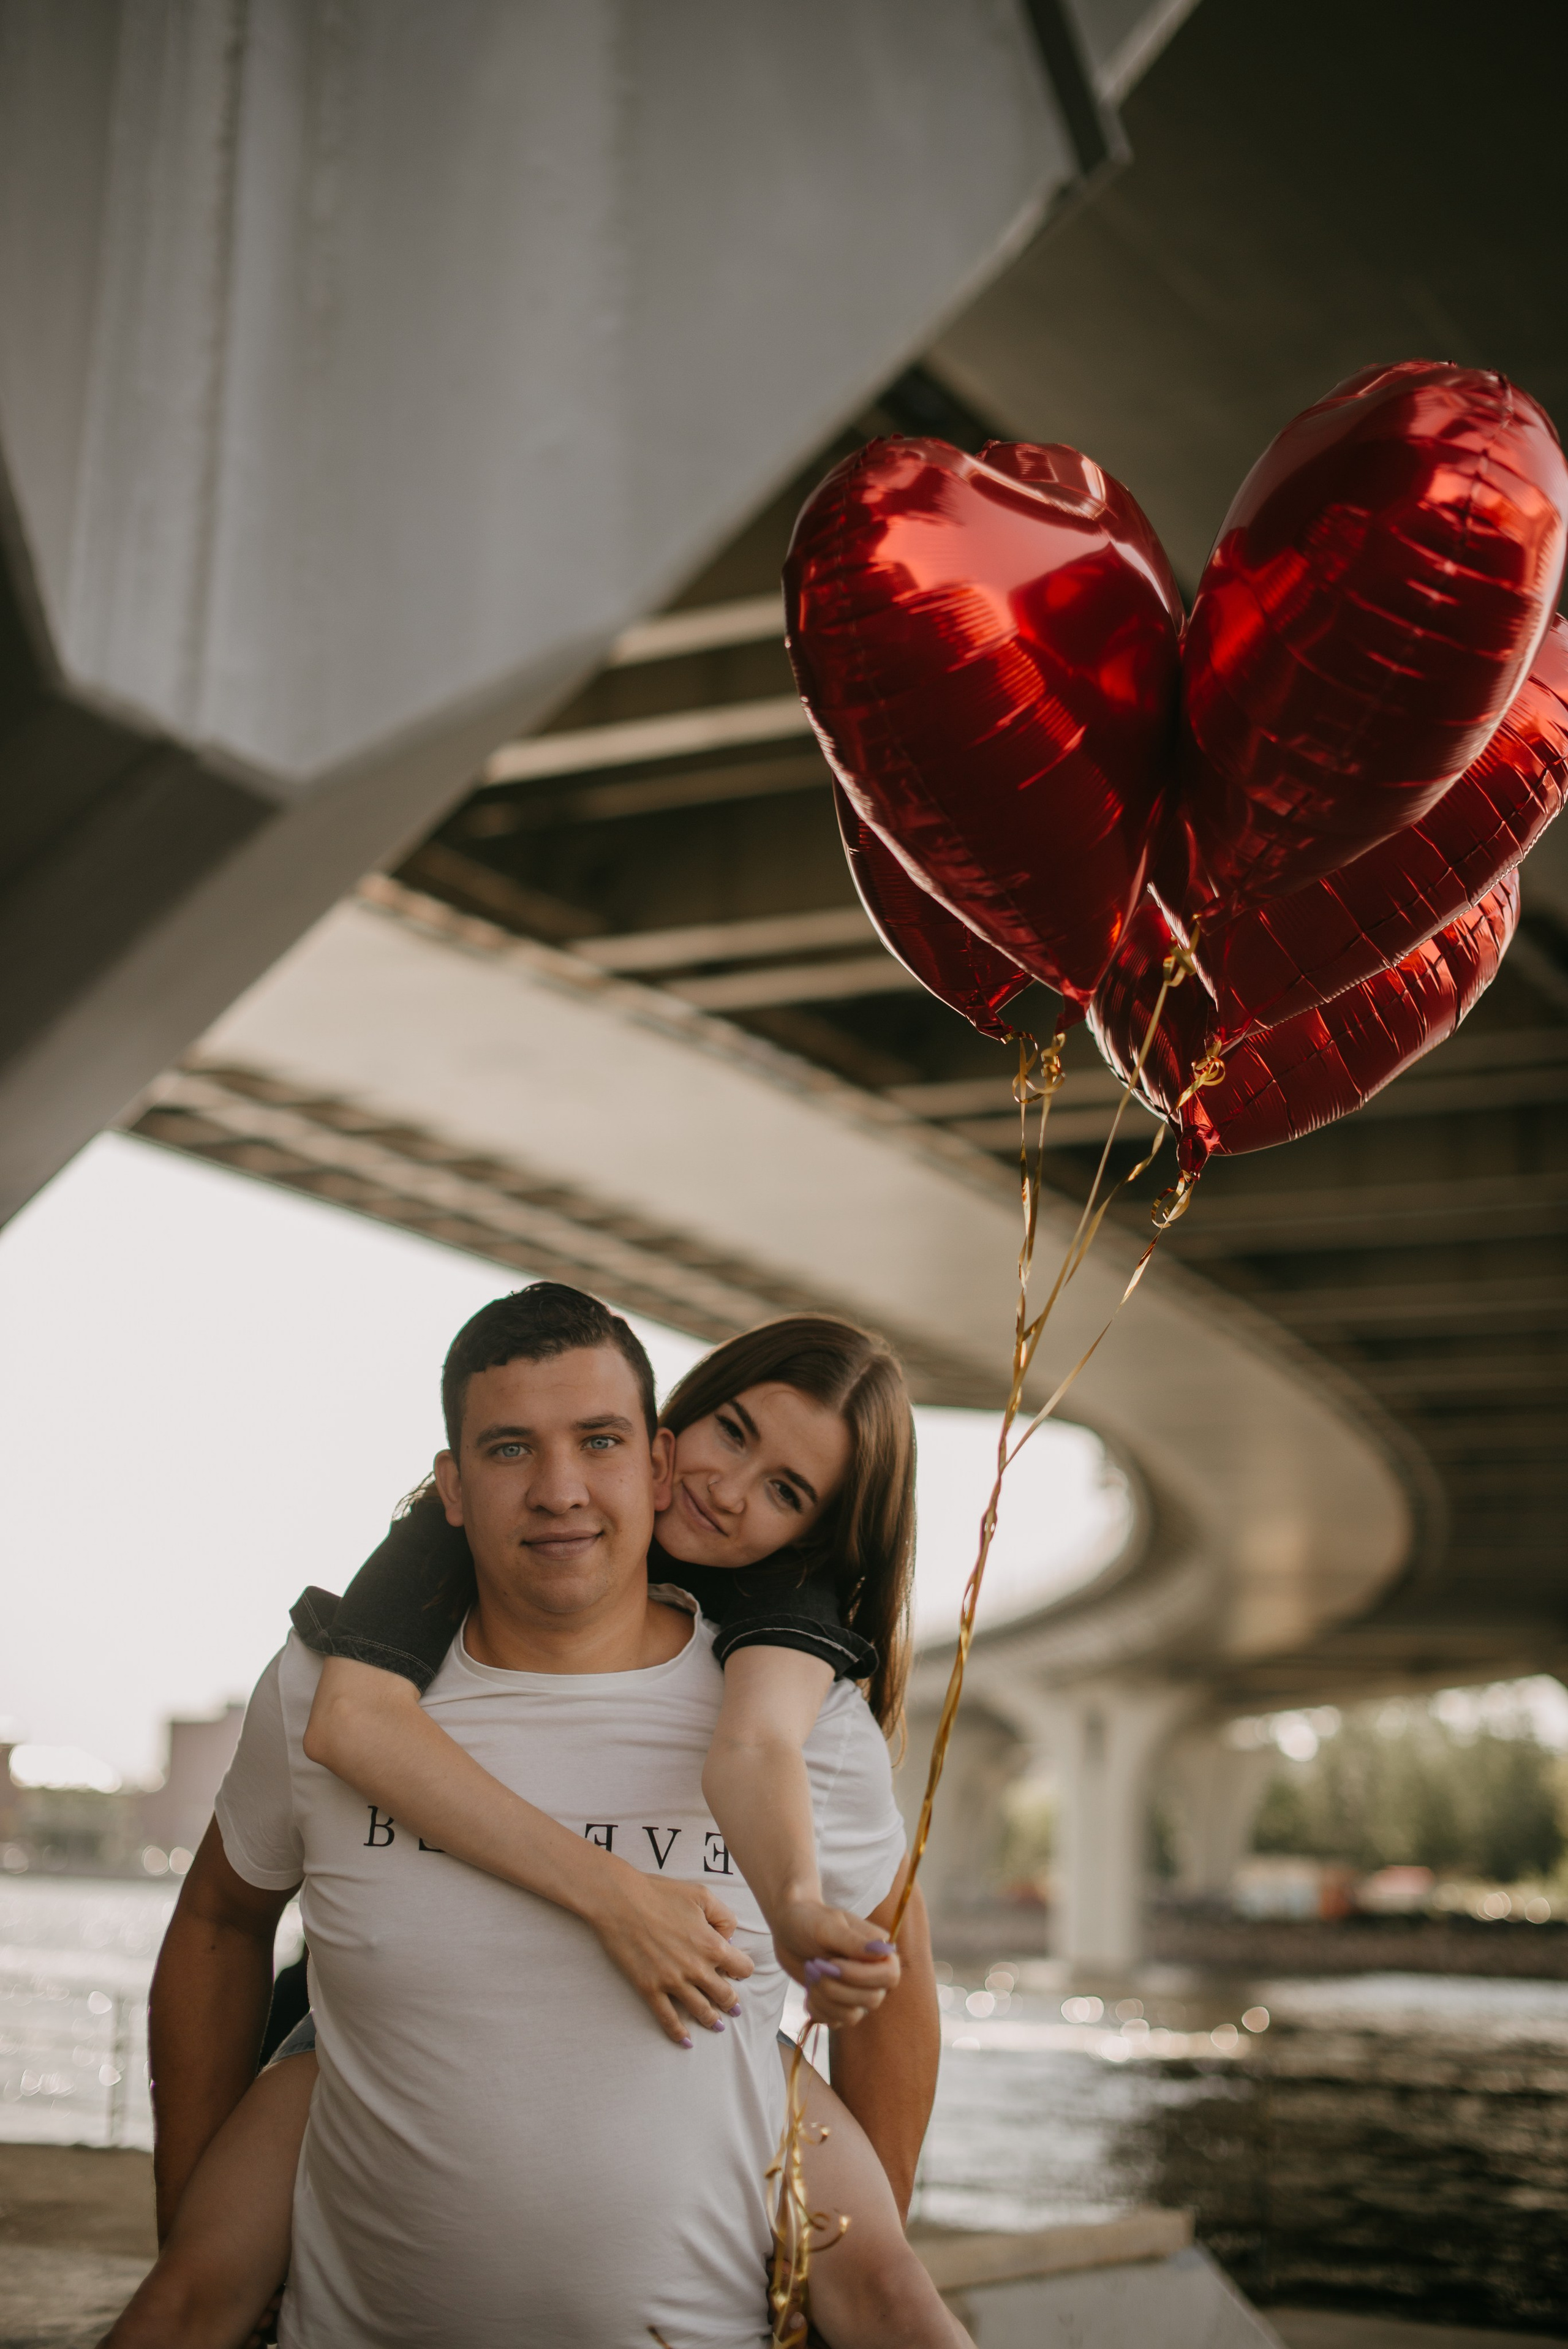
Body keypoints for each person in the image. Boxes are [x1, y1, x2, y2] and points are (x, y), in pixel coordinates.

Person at [109, 1288, 966, 2348]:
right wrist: (196, 2240)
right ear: (454, 1484)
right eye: (511, 1451)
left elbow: (886, 1944)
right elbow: (236, 1895)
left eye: (785, 1489)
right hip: (347, 2065)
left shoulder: (794, 1690)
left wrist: (847, 2252)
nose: (725, 1491)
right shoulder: (359, 1645)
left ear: (646, 1458)